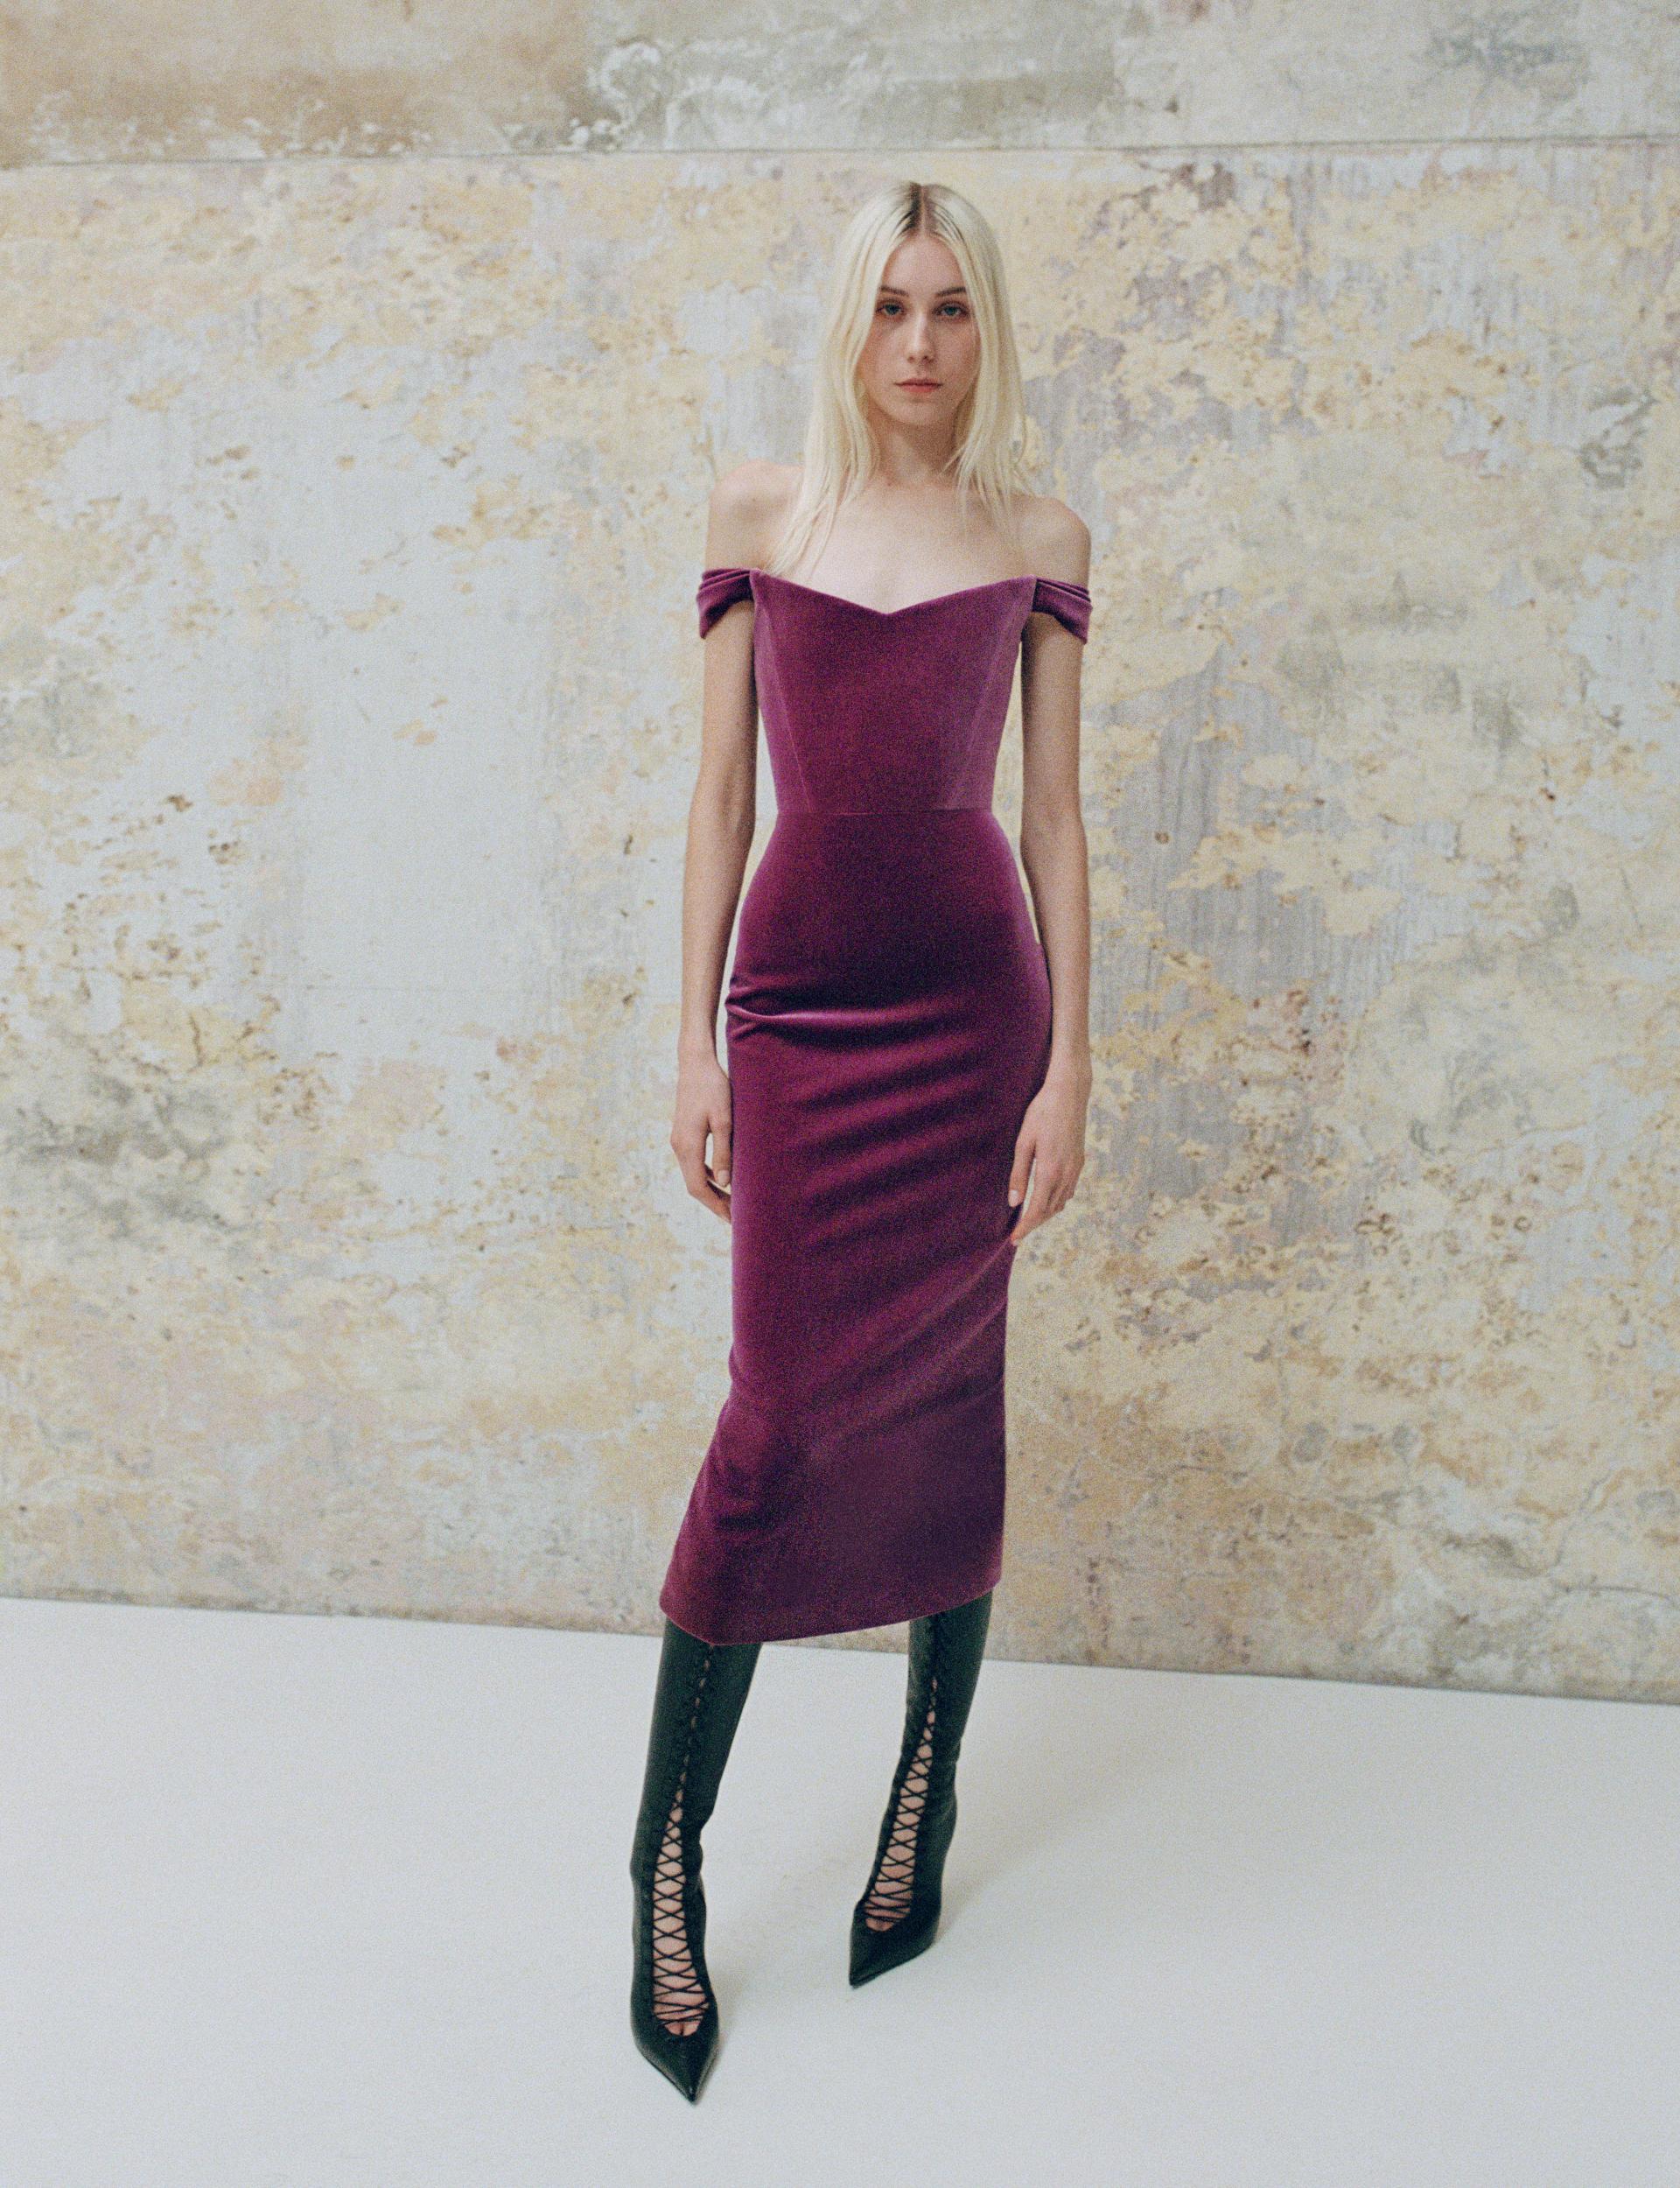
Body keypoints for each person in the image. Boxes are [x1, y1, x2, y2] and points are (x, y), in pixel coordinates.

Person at [629, 178, 1093, 2101]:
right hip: (801, 1013)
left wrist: (1073, 1070)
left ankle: (926, 1789)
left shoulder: (1038, 536)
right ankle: (664, 1862)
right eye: (893, 306)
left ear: (989, 329)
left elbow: (1052, 818)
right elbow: (719, 798)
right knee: (776, 1423)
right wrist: (692, 1042)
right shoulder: (763, 511)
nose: (920, 343)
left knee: (952, 1408)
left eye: (953, 308)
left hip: (974, 1020)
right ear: (851, 322)